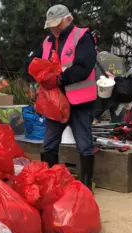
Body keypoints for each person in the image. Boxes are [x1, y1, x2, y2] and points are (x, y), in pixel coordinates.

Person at [25, 4, 97, 191]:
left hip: (79, 102)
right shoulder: (47, 41)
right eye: (51, 25)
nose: (54, 29)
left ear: (68, 19)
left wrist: (58, 78)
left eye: (57, 24)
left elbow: (84, 66)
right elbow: (30, 62)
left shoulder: (82, 36)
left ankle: (87, 186)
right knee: (49, 145)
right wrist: (35, 72)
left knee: (84, 146)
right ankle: (51, 184)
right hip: (55, 103)